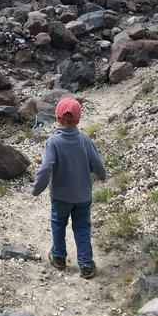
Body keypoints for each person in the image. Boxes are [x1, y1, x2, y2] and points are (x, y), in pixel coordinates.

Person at [30, 97, 106, 279]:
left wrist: (36, 189)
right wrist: (102, 175)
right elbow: (97, 163)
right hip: (82, 196)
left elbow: (46, 168)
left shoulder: (53, 143)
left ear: (57, 118)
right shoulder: (84, 140)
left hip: (61, 196)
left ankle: (58, 257)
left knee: (58, 224)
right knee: (82, 227)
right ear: (78, 120)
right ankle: (86, 264)